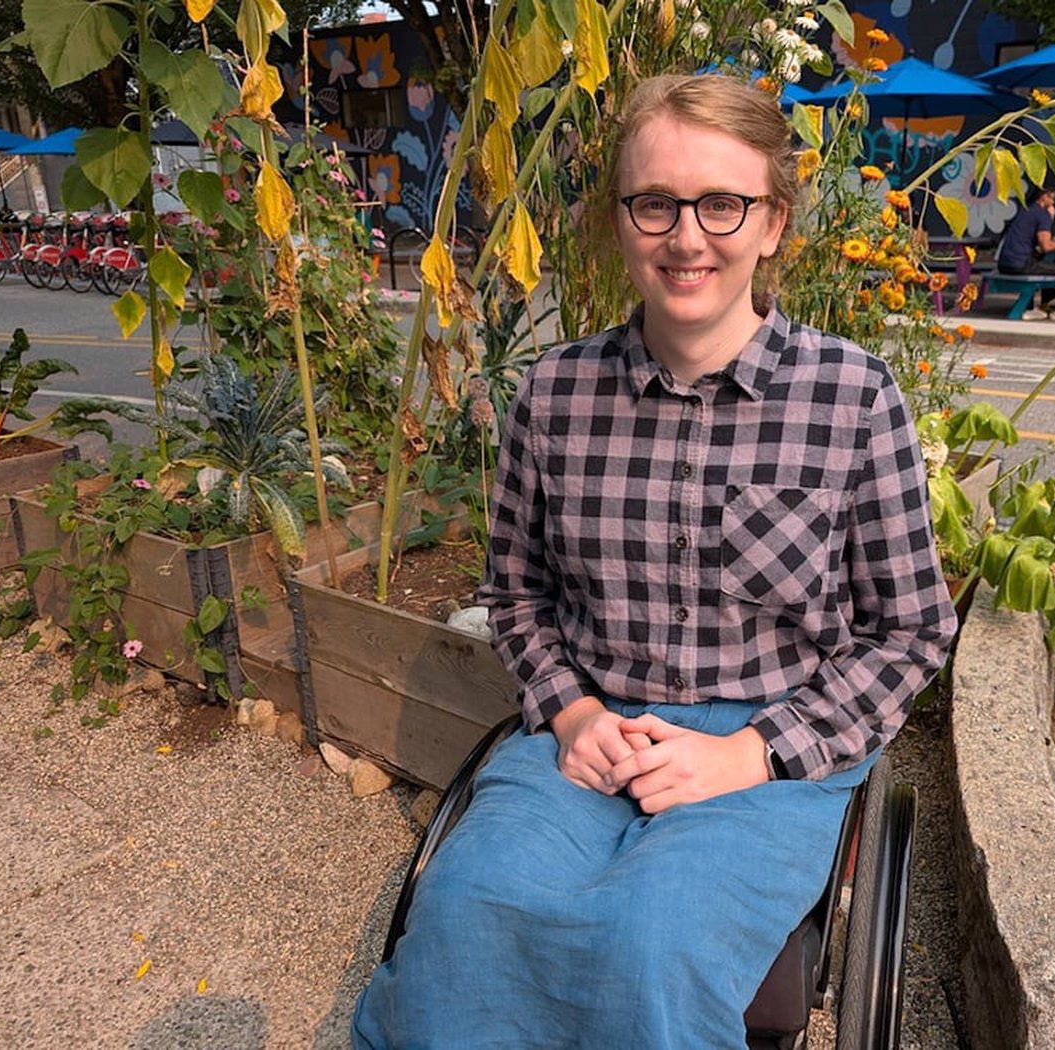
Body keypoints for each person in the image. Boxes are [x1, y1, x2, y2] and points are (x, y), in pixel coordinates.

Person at [351, 74, 957, 1050]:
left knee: (648, 947)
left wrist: (750, 753)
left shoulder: (851, 398)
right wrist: (575, 713)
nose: (686, 236)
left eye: (721, 203)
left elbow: (910, 629)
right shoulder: (553, 395)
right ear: (620, 221)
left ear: (771, 224)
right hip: (593, 733)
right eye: (655, 203)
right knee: (464, 911)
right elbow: (516, 593)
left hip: (770, 750)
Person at [997, 186, 1055, 320]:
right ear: (1043, 196)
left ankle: (1038, 305)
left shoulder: (1026, 210)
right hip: (1020, 264)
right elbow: (1046, 246)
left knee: (1054, 263)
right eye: (1052, 198)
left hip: (1004, 264)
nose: (1053, 203)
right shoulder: (1042, 214)